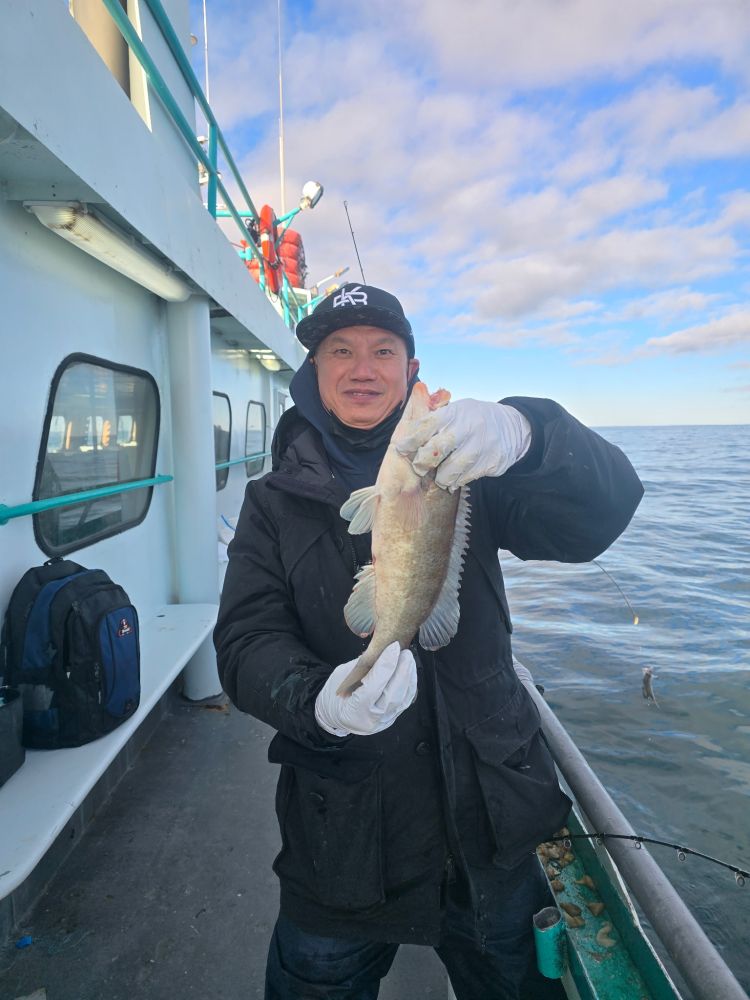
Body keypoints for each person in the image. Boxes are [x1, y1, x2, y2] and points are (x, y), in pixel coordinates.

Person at [214, 283, 644, 1000]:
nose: (362, 368)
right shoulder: (270, 504)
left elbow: (605, 512)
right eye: (339, 351)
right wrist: (316, 701)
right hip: (341, 845)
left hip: (490, 833)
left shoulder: (468, 469)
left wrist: (531, 433)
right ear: (312, 374)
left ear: (413, 372)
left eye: (384, 351)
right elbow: (243, 640)